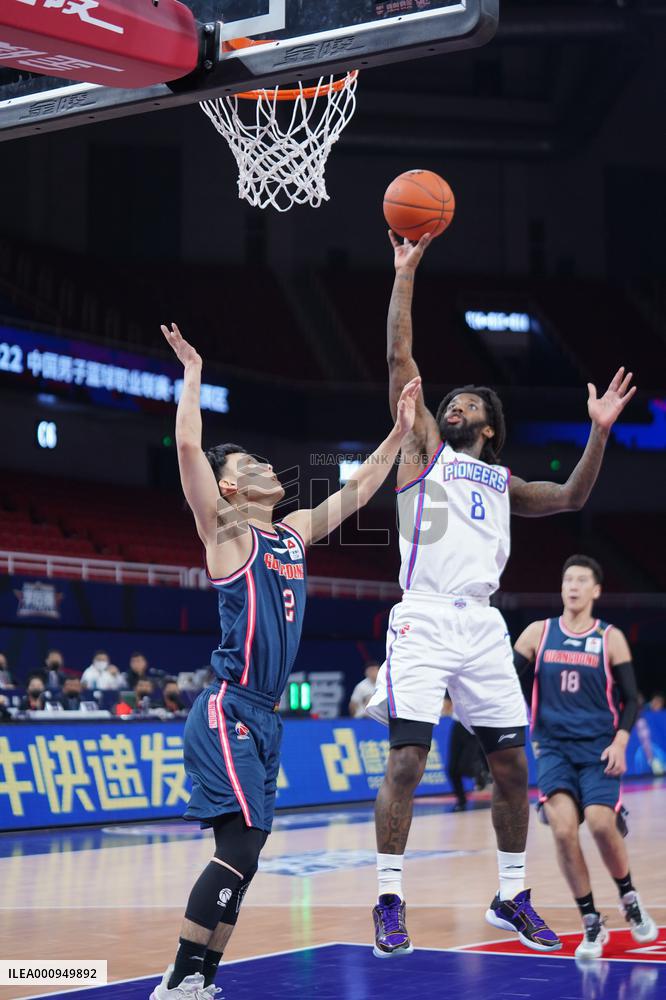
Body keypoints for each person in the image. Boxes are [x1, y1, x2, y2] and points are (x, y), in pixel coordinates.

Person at [365, 230, 636, 958]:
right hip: (422, 613)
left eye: (462, 404)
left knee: (513, 767)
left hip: (482, 626)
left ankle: (510, 894)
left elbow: (574, 494)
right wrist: (405, 275)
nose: (448, 406)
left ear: (486, 424)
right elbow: (399, 361)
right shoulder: (421, 451)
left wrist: (599, 434)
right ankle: (389, 897)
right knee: (408, 762)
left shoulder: (504, 483)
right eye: (444, 402)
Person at [150, 322, 422, 1000]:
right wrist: (193, 371)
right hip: (228, 709)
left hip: (265, 719)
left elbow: (358, 491)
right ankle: (178, 978)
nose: (269, 469)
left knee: (249, 856)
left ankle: (200, 980)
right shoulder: (225, 530)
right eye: (250, 467)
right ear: (232, 489)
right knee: (238, 852)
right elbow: (188, 445)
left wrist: (398, 432)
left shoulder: (293, 532)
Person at [514, 555, 657, 959]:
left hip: (598, 748)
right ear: (561, 589)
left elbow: (632, 699)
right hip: (554, 747)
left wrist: (621, 742)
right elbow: (505, 679)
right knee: (562, 830)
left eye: (582, 580)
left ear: (596, 591)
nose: (573, 586)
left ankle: (628, 895)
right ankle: (591, 921)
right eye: (568, 580)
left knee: (598, 822)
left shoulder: (609, 637)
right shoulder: (537, 633)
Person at [442, 695, 489, 812]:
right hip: (459, 725)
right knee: (452, 769)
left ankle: (482, 773)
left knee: (465, 766)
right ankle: (461, 801)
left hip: (476, 726)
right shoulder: (451, 679)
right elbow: (446, 706)